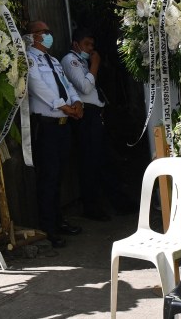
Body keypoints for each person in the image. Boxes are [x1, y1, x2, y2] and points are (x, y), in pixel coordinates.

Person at [24, 20, 84, 248]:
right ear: (32, 36)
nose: (48, 35)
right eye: (43, 32)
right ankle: (48, 228)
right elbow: (38, 86)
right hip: (47, 125)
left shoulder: (54, 60)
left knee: (59, 176)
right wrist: (63, 105)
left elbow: (66, 83)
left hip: (63, 124)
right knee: (48, 178)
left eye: (49, 31)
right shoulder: (29, 59)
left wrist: (76, 101)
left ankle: (59, 222)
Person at [61, 27, 112, 221]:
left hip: (96, 114)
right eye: (86, 44)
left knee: (100, 159)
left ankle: (102, 202)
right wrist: (95, 65)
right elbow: (84, 87)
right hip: (86, 117)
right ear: (76, 44)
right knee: (89, 162)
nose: (91, 49)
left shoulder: (84, 60)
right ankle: (90, 207)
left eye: (92, 45)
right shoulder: (70, 60)